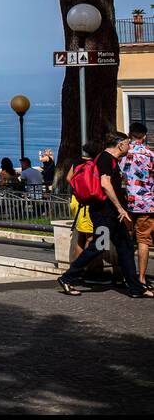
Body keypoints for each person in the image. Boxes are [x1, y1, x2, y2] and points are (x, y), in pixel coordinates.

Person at [58, 133, 152, 297]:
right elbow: (105, 184)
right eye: (128, 144)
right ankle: (67, 278)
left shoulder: (110, 159)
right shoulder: (106, 159)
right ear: (120, 144)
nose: (129, 147)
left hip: (113, 215)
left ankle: (136, 288)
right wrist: (120, 208)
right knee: (99, 246)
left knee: (126, 247)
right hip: (104, 214)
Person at [121, 121, 154, 287]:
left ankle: (127, 276)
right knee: (143, 241)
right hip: (147, 204)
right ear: (145, 136)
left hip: (125, 204)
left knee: (126, 240)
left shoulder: (123, 154)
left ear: (129, 134)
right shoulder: (151, 154)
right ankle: (141, 278)